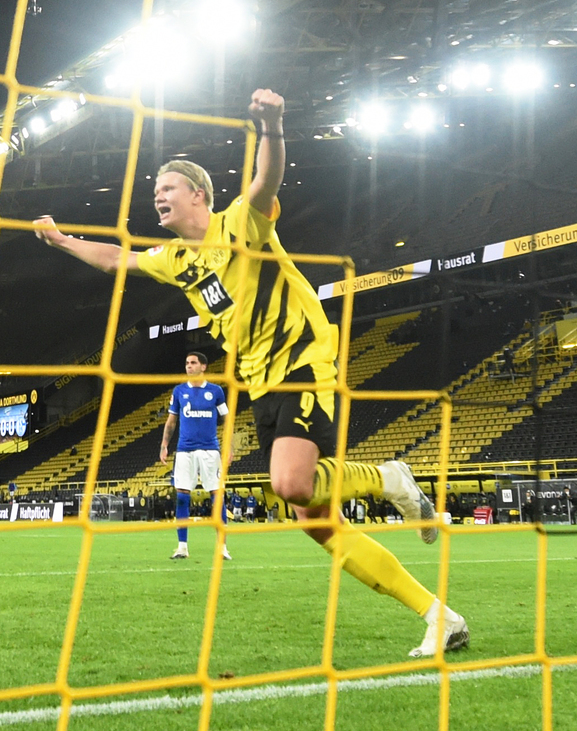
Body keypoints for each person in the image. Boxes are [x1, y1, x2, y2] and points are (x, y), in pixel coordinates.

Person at [34, 89, 467, 658]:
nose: (158, 196)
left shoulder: (240, 221)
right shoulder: (175, 259)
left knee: (289, 484)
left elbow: (266, 180)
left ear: (198, 194)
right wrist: (61, 240)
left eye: (168, 188)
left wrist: (272, 126)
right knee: (314, 520)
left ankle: (391, 479)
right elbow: (118, 258)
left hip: (302, 360)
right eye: (155, 191)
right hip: (260, 382)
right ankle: (439, 616)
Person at [159, 352, 232, 560]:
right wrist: (164, 445)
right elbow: (171, 421)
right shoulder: (179, 391)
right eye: (187, 363)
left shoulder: (216, 391)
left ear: (203, 366)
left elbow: (227, 419)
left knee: (217, 497)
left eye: (193, 363)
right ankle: (182, 547)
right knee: (182, 497)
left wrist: (230, 447)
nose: (188, 366)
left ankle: (222, 547)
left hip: (210, 450)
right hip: (185, 450)